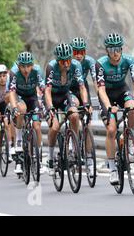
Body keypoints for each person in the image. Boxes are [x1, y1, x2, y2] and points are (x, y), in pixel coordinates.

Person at [96, 33, 134, 184]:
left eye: (117, 49)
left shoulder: (129, 60)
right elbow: (101, 90)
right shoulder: (101, 63)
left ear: (121, 49)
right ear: (107, 51)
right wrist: (109, 107)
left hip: (122, 90)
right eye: (111, 49)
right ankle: (112, 168)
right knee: (111, 130)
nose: (115, 53)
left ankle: (128, 139)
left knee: (132, 108)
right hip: (107, 95)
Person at [44, 43, 89, 176]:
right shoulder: (51, 67)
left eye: (68, 60)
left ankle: (74, 149)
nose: (66, 64)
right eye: (63, 61)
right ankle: (50, 158)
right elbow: (47, 90)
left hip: (65, 95)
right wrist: (50, 107)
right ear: (58, 61)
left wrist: (85, 103)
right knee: (55, 127)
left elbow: (82, 87)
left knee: (75, 115)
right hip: (51, 97)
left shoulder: (75, 65)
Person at [9, 52, 45, 174]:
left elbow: (43, 88)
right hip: (20, 97)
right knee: (21, 110)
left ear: (32, 65)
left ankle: (38, 156)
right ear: (18, 66)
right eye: (23, 66)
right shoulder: (14, 72)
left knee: (37, 126)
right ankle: (19, 139)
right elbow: (12, 92)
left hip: (32, 98)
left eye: (28, 66)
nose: (26, 69)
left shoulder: (37, 71)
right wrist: (14, 107)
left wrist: (46, 104)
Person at [70, 37, 98, 106]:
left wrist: (100, 94)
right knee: (73, 109)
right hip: (69, 87)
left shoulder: (90, 61)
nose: (79, 55)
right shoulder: (67, 62)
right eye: (75, 52)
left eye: (81, 52)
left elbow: (95, 80)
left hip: (83, 86)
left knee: (88, 109)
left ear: (85, 52)